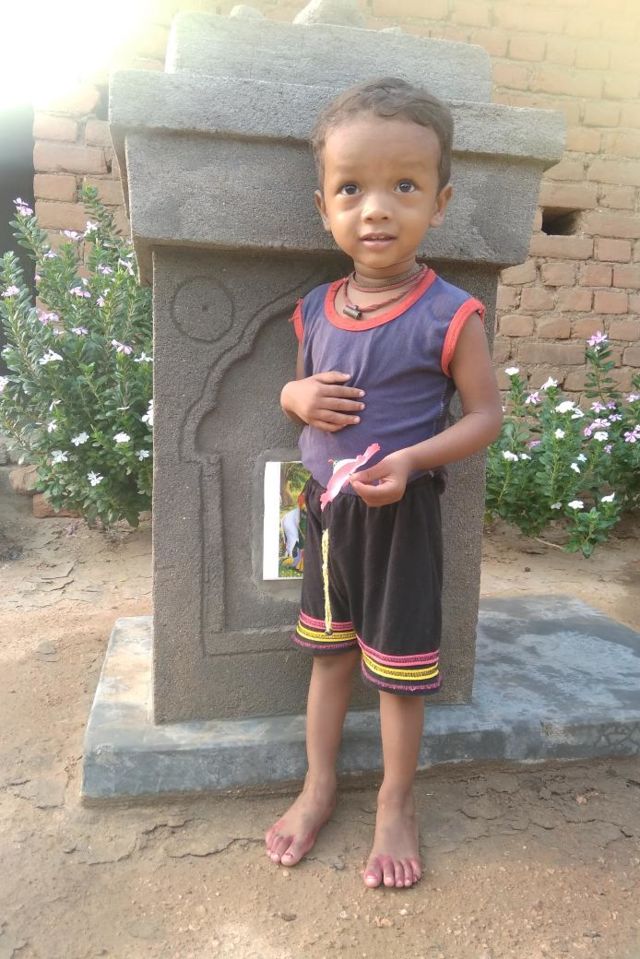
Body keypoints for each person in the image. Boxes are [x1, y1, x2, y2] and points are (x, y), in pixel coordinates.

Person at [265, 77, 503, 889]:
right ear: (323, 205)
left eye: (404, 186)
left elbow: (484, 416)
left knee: (399, 670)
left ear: (440, 203)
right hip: (324, 512)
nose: (376, 209)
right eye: (351, 189)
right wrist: (292, 394)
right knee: (328, 656)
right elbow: (299, 393)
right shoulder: (314, 308)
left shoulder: (452, 313)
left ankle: (396, 802)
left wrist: (411, 461)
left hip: (402, 518)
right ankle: (318, 784)